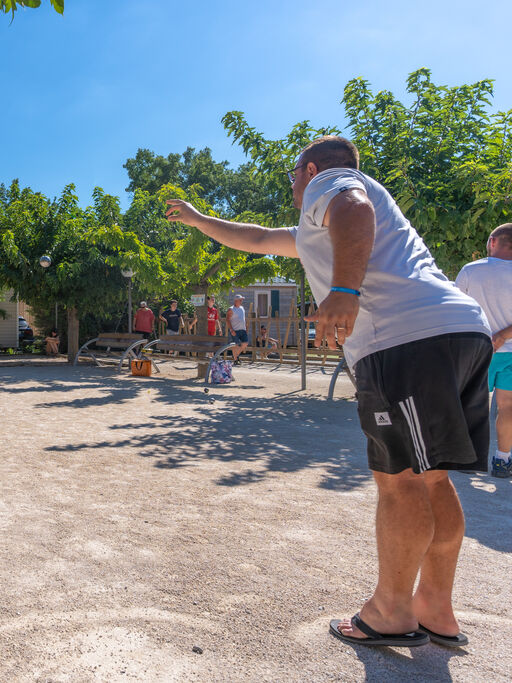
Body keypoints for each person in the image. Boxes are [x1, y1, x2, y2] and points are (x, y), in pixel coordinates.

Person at [166, 135, 490, 650]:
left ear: (310, 168)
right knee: (432, 479)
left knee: (400, 480)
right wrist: (200, 218)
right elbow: (254, 237)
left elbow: (350, 206)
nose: (295, 186)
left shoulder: (332, 183)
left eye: (294, 176)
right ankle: (437, 610)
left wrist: (344, 291)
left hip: (404, 340)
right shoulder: (324, 228)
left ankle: (390, 612)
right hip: (459, 331)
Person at [456, 223, 512, 478]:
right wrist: (502, 335)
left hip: (476, 350)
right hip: (510, 352)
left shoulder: (471, 270)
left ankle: (467, 459)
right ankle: (503, 460)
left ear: (492, 241)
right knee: (508, 407)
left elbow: (455, 309)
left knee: (470, 405)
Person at [226, 294, 249, 363]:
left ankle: (235, 356)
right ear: (236, 301)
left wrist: (246, 327)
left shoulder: (242, 308)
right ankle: (236, 359)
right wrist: (231, 329)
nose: (241, 301)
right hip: (235, 330)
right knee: (235, 345)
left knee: (245, 343)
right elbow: (227, 320)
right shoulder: (231, 309)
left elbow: (243, 319)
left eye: (242, 300)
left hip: (243, 329)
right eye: (240, 300)